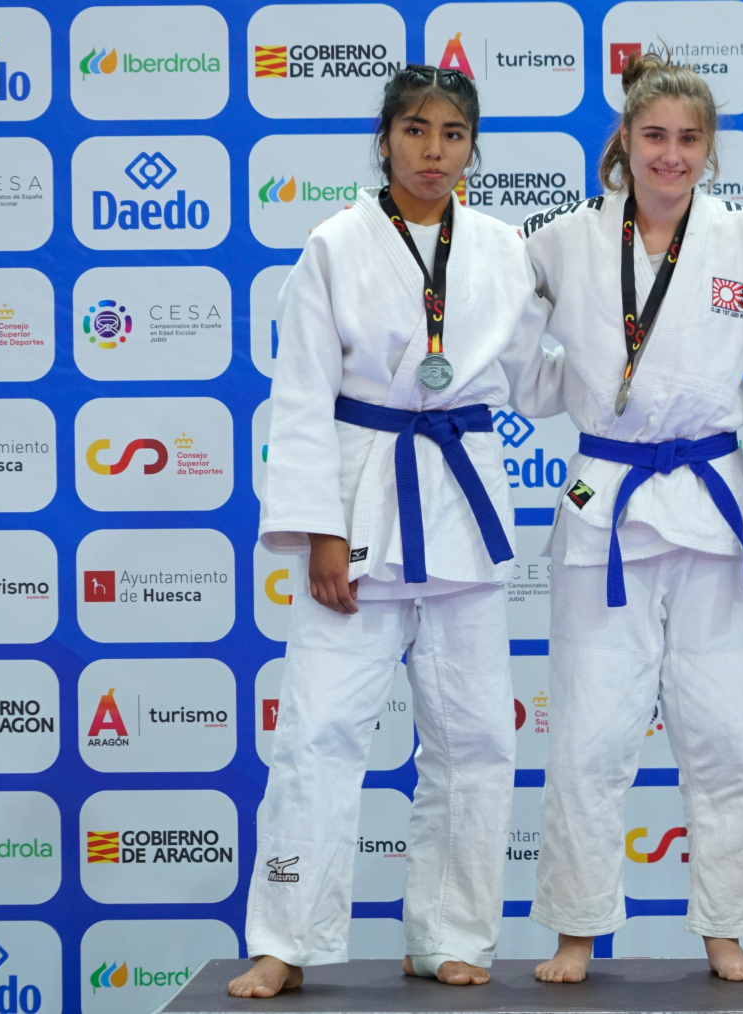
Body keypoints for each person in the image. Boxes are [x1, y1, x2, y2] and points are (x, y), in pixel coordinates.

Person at [231, 66, 544, 997]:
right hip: (363, 498)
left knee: (476, 737)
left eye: (452, 133)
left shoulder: (503, 249)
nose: (433, 150)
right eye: (415, 129)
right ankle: (286, 939)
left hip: (461, 505)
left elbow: (537, 375)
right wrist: (319, 530)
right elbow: (299, 395)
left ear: (472, 148)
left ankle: (451, 933)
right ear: (385, 139)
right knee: (319, 730)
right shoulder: (335, 244)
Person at [513, 53, 743, 984]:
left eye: (690, 139)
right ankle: (575, 929)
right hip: (604, 498)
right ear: (626, 139)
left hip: (712, 502)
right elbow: (516, 358)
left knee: (727, 733)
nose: (671, 154)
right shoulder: (563, 240)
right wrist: (575, 384)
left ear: (710, 149)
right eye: (654, 136)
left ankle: (728, 927)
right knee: (589, 733)